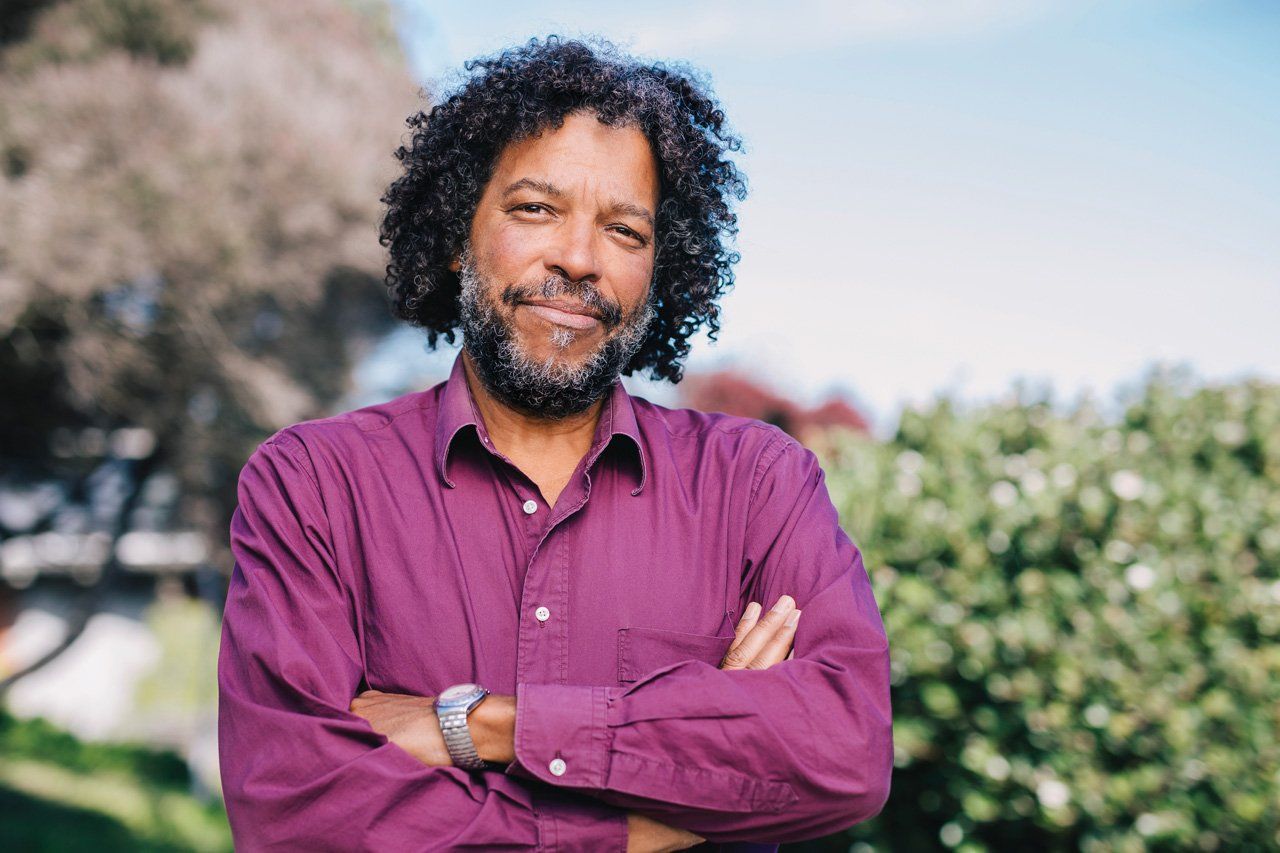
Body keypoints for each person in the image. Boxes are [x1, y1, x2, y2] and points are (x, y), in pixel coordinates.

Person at [217, 35, 892, 852]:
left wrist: (484, 726)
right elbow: (290, 805)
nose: (577, 259)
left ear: (662, 269)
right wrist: (661, 794)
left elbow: (844, 753)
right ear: (460, 230)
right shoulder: (315, 483)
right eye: (536, 208)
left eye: (625, 231)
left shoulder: (758, 485)